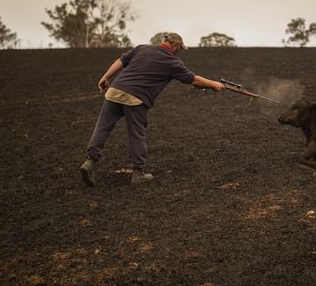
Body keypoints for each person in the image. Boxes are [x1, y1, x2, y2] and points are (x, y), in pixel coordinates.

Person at [80, 33, 224, 186]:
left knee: (102, 128)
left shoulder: (142, 48)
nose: (178, 52)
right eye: (179, 49)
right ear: (175, 46)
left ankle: (89, 162)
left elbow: (120, 61)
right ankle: (138, 173)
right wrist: (214, 84)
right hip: (136, 99)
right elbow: (192, 79)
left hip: (114, 91)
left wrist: (105, 77)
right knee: (137, 134)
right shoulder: (172, 62)